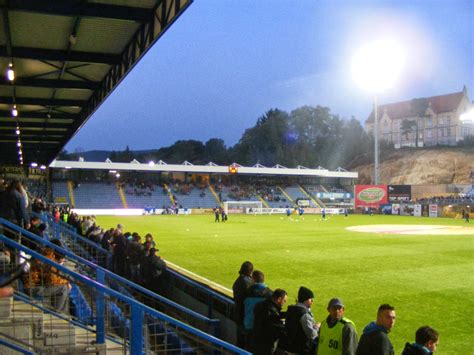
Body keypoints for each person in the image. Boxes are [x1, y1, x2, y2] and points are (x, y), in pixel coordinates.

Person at [283, 286, 320, 355]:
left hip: (289, 347)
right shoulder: (304, 314)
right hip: (301, 350)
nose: (312, 301)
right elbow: (312, 335)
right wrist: (317, 327)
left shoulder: (291, 309)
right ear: (305, 299)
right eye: (310, 299)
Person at [243, 270, 272, 350]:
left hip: (249, 325)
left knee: (248, 348)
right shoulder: (270, 294)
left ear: (253, 279)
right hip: (263, 327)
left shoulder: (246, 292)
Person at [252, 288, 288, 355]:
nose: (284, 303)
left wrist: (286, 314)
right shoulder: (271, 312)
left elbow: (273, 315)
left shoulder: (263, 305)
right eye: (284, 301)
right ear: (279, 299)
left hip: (256, 340)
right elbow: (275, 324)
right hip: (266, 345)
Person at [232, 261, 254, 348]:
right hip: (246, 316)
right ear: (250, 271)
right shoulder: (248, 283)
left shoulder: (238, 281)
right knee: (248, 343)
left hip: (238, 315)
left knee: (240, 342)